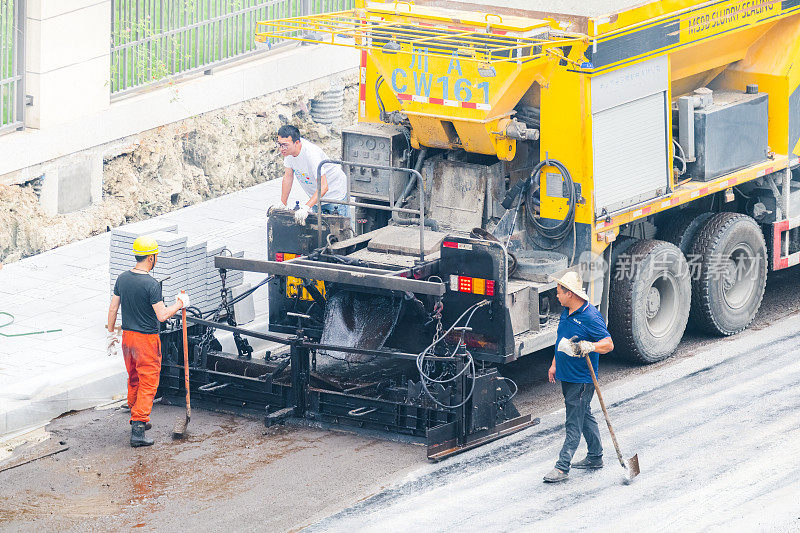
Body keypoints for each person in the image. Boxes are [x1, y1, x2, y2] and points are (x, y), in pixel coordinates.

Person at [106, 236, 188, 447]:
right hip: (146, 341)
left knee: (134, 378)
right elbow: (161, 316)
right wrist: (179, 304)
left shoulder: (122, 278)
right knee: (148, 383)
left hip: (127, 338)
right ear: (151, 257)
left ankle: (135, 416)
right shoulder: (151, 284)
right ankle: (139, 429)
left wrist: (110, 333)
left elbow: (113, 308)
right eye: (156, 256)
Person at [543, 271, 614, 483]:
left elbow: (608, 344)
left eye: (559, 292)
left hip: (581, 380)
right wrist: (554, 364)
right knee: (584, 416)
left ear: (570, 294)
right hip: (567, 375)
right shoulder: (567, 310)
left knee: (573, 422)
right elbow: (561, 340)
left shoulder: (590, 316)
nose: (556, 296)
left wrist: (590, 345)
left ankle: (562, 467)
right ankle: (595, 456)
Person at [275, 124, 349, 223]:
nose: (281, 148)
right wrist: (283, 204)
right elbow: (288, 177)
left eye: (285, 145)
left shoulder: (311, 154)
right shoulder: (288, 153)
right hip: (316, 196)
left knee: (339, 229)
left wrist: (306, 207)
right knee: (319, 227)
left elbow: (324, 187)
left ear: (296, 142)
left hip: (335, 193)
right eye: (279, 144)